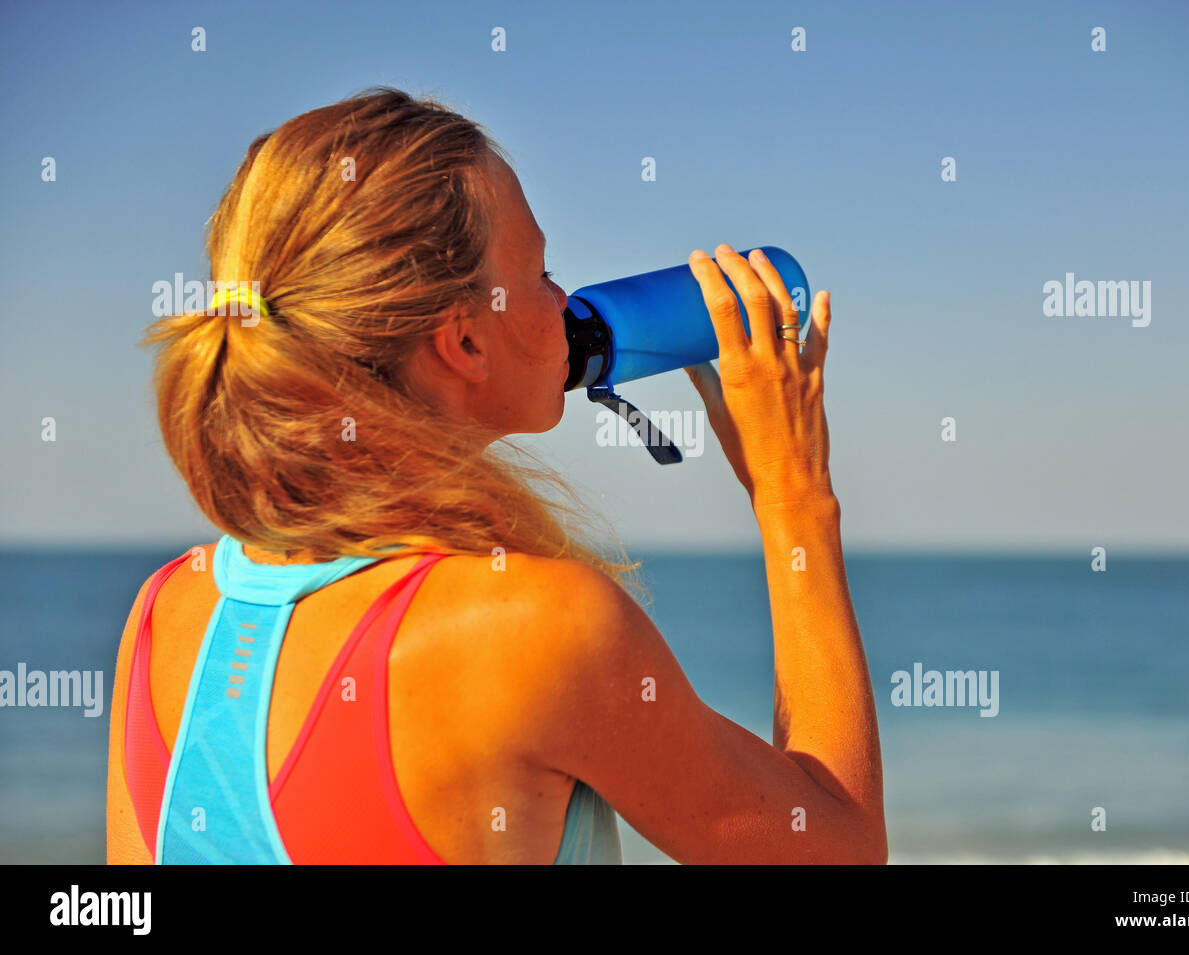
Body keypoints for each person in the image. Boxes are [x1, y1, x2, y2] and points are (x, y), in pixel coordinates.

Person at [106, 88, 886, 864]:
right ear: (465, 344)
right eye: (542, 272)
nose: (564, 300)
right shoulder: (540, 629)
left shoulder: (169, 610)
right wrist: (793, 496)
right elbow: (840, 850)